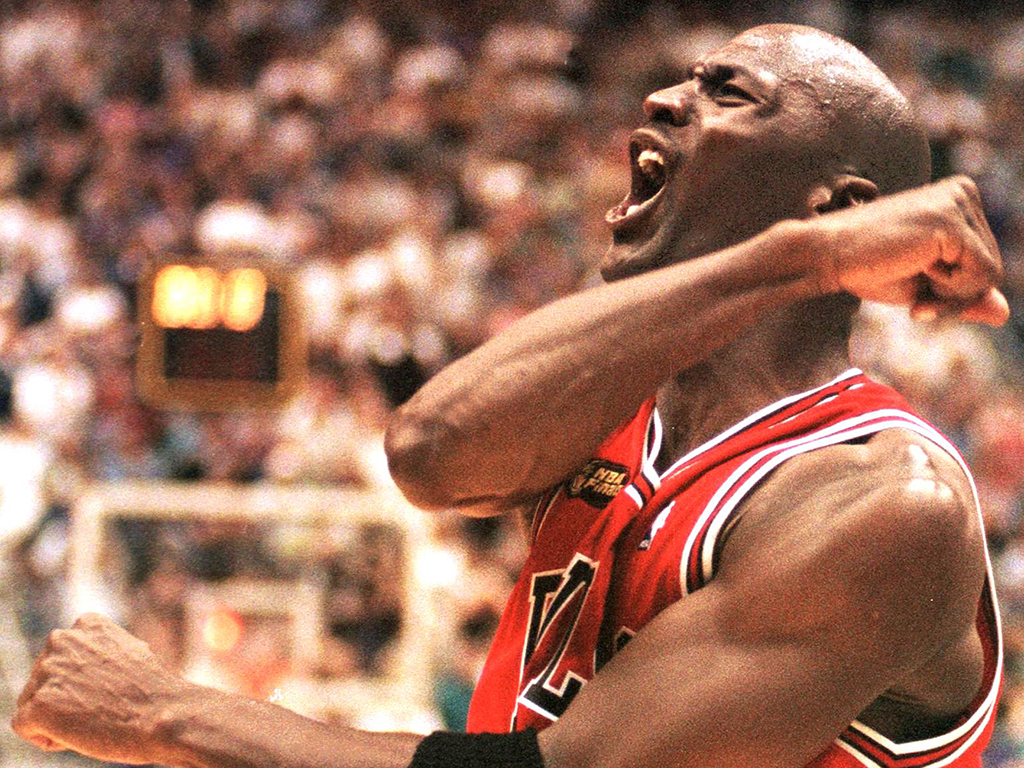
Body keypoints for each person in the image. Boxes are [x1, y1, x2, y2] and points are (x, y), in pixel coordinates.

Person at [11, 23, 1009, 768]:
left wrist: (163, 713)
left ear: (839, 208)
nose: (665, 98)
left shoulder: (885, 500)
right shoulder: (618, 404)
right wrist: (799, 258)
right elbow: (430, 454)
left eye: (729, 94)